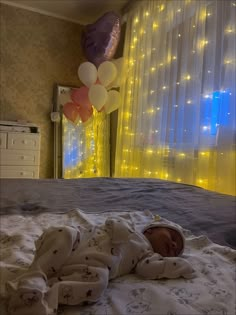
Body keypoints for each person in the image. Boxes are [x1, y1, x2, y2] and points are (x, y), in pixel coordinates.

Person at [6, 215, 195, 315]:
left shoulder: (146, 256)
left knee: (98, 284)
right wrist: (123, 232)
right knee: (63, 233)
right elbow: (112, 222)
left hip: (95, 266)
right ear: (152, 229)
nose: (173, 245)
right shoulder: (129, 226)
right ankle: (35, 276)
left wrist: (181, 265)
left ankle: (46, 296)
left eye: (176, 249)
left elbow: (150, 270)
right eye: (172, 238)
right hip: (78, 242)